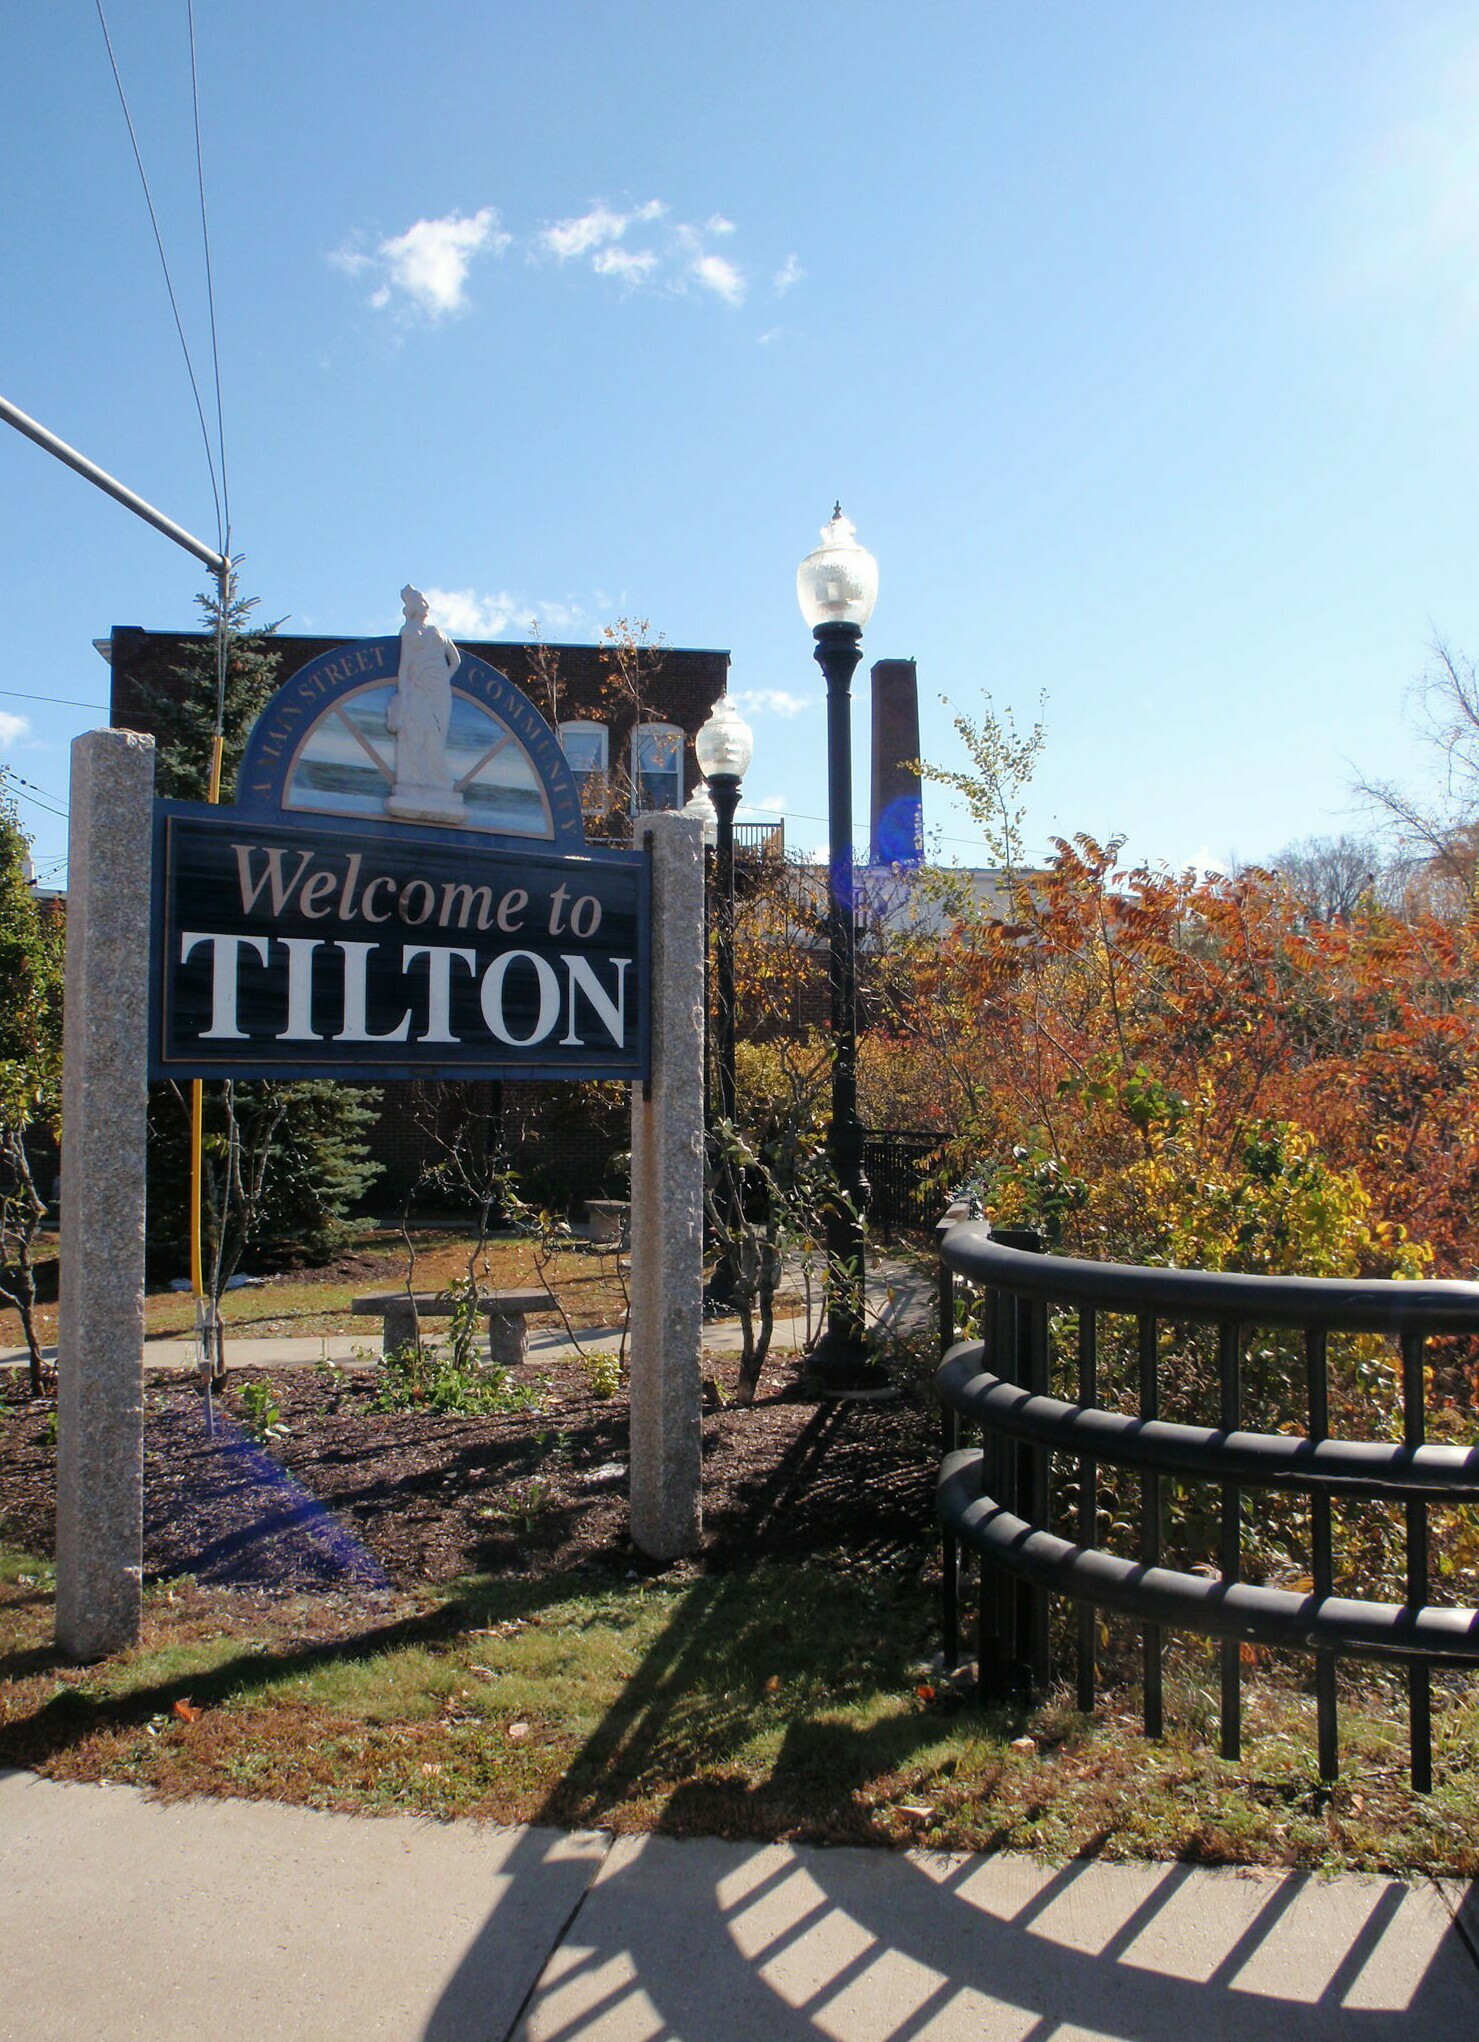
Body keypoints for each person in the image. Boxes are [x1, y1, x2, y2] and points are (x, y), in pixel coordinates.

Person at [386, 585, 465, 820]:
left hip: (437, 693)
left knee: (434, 737)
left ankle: (436, 782)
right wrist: (406, 693)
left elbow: (456, 660)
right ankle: (416, 780)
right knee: (416, 734)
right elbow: (405, 665)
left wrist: (440, 682)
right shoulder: (409, 631)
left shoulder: (434, 631)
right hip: (421, 690)